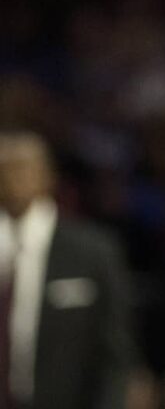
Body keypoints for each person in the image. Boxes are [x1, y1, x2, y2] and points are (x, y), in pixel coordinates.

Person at [0, 131, 135, 409]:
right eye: (4, 167)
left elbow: (114, 351)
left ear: (48, 175)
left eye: (23, 166)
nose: (13, 176)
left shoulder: (92, 251)